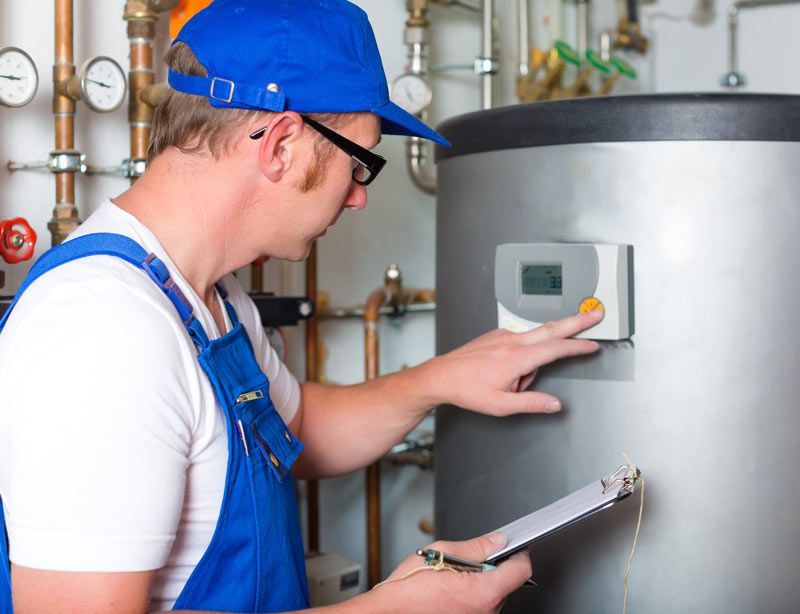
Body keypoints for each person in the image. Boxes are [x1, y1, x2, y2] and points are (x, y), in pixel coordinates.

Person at [0, 1, 603, 612]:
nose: (358, 198)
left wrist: (442, 378)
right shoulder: (103, 330)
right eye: (359, 163)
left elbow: (297, 427)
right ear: (282, 145)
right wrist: (391, 609)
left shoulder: (210, 294)